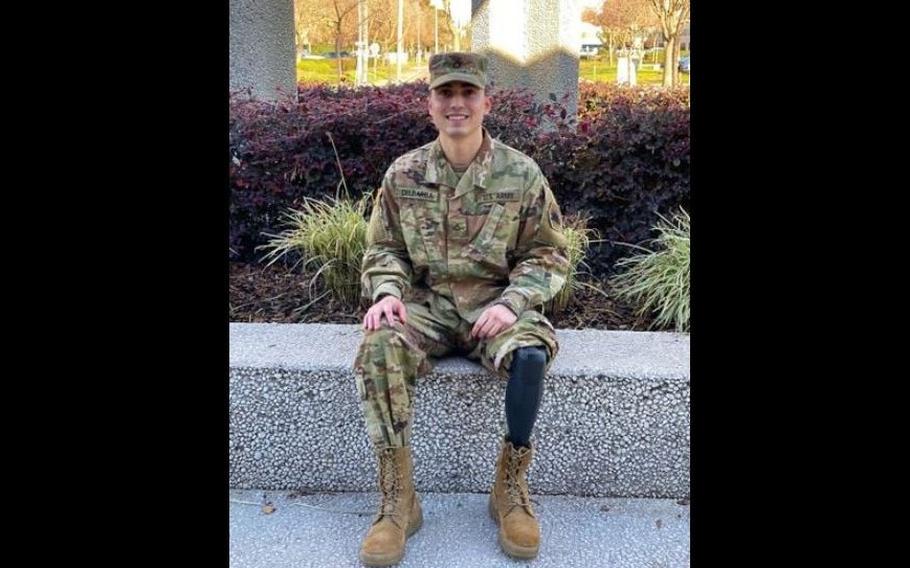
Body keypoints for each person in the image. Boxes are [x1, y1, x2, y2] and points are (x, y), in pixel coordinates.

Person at [353, 52, 569, 566]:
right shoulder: (403, 173)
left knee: (532, 356)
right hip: (426, 308)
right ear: (429, 106)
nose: (457, 104)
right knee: (379, 345)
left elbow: (549, 252)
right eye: (445, 94)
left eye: (467, 94)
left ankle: (509, 488)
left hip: (495, 308)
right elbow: (385, 249)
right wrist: (386, 292)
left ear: (486, 103)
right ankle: (399, 499)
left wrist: (514, 302)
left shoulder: (520, 173)